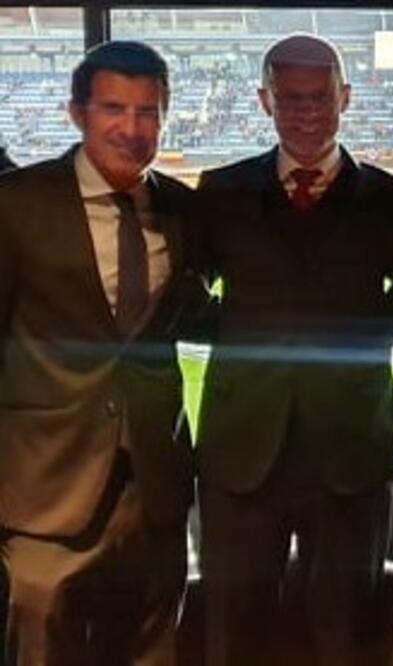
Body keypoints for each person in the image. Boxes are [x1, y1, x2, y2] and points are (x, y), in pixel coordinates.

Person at [194, 34, 393, 666]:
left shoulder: (389, 200)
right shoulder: (221, 192)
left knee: (345, 632)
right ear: (265, 100)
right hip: (242, 445)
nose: (306, 112)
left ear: (346, 97)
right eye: (290, 99)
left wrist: (355, 340)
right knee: (233, 630)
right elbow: (181, 287)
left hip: (351, 445)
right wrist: (243, 333)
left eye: (320, 98)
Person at [0, 41, 198, 665]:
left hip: (155, 491)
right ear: (76, 113)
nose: (132, 128)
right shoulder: (15, 205)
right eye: (114, 108)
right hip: (44, 495)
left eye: (148, 112)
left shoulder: (182, 208)